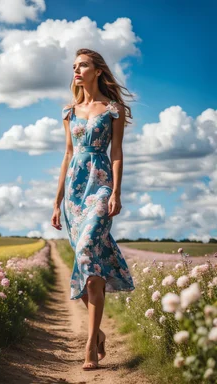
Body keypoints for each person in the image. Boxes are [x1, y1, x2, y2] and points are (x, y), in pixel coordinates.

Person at [51, 48, 135, 370]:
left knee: (87, 250)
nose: (76, 70)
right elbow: (67, 155)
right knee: (88, 270)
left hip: (100, 187)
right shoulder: (68, 112)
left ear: (97, 70)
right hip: (74, 192)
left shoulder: (113, 109)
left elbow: (116, 152)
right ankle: (98, 333)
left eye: (82, 65)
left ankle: (88, 347)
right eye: (74, 66)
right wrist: (57, 201)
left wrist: (115, 191)